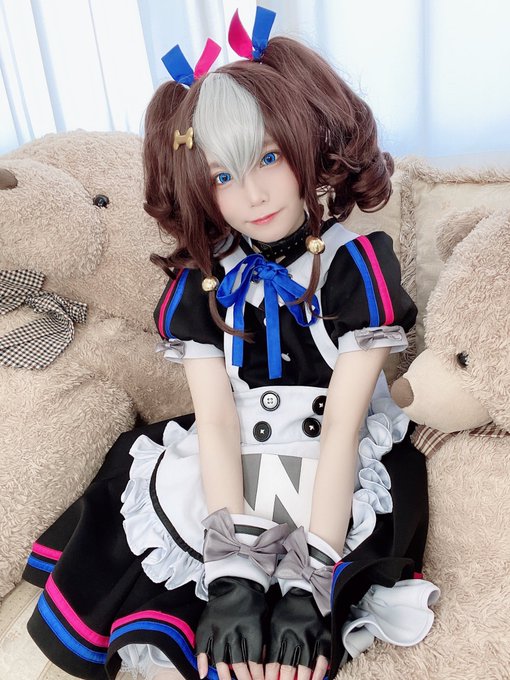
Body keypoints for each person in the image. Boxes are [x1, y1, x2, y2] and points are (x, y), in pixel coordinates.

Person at [23, 7, 439, 680]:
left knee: (308, 601)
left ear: (308, 143)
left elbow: (341, 428)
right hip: (231, 458)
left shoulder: (356, 267)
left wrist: (311, 580)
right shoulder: (203, 283)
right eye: (222, 175)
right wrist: (231, 575)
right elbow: (216, 421)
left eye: (268, 157)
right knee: (195, 574)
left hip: (331, 465)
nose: (252, 194)